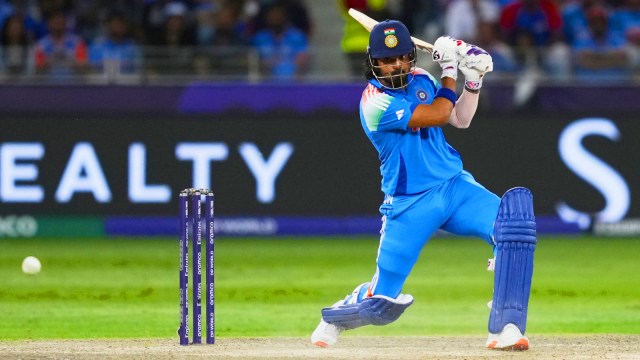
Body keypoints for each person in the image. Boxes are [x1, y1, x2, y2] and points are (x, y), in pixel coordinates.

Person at [310, 19, 537, 351]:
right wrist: (450, 68)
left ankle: (506, 328)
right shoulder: (374, 103)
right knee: (382, 302)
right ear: (373, 62)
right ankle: (334, 318)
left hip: (454, 187)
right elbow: (437, 114)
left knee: (513, 230)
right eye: (386, 60)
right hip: (409, 202)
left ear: (411, 56)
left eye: (401, 56)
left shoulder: (422, 79)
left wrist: (473, 80)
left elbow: (460, 118)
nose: (395, 65)